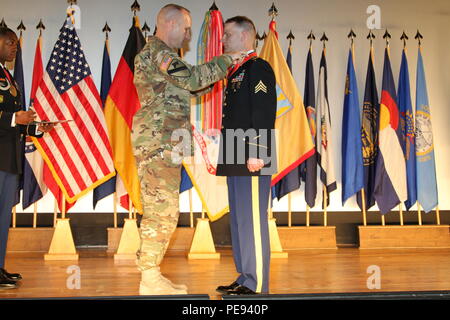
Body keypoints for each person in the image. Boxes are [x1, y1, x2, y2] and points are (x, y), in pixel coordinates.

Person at [132, 4, 244, 295]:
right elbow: (193, 78)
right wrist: (227, 60)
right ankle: (149, 277)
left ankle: (151, 271)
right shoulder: (158, 53)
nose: (187, 35)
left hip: (168, 142)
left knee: (164, 210)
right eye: (185, 28)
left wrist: (220, 74)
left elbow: (192, 87)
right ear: (169, 24)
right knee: (163, 212)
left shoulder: (164, 56)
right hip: (158, 143)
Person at [215, 16, 277, 295]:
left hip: (251, 155)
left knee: (253, 219)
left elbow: (263, 112)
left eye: (228, 34)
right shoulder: (236, 71)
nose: (223, 39)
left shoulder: (258, 68)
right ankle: (244, 277)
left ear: (244, 36)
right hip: (235, 152)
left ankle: (257, 282)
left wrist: (260, 154)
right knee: (240, 219)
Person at [0, 27, 54, 289]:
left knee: (2, 216)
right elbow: (9, 118)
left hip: (9, 157)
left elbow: (15, 123)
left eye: (16, 44)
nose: (15, 47)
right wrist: (14, 118)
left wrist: (35, 128)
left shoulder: (8, 77)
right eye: (10, 42)